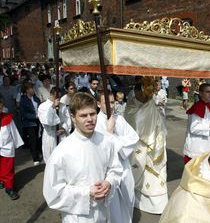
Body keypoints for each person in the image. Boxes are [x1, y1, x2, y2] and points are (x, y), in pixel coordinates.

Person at [43, 92, 122, 222]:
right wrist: (86, 192)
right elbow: (53, 193)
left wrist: (109, 182)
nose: (90, 119)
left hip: (104, 212)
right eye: (83, 115)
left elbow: (115, 169)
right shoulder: (61, 152)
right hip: (77, 216)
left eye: (92, 114)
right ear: (73, 118)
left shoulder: (106, 141)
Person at [124, 76, 168, 214]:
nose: (142, 97)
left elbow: (159, 124)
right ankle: (137, 200)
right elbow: (131, 122)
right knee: (138, 172)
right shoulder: (131, 105)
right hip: (138, 146)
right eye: (140, 94)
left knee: (155, 176)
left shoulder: (151, 105)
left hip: (155, 145)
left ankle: (157, 205)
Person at [95, 91, 139, 223]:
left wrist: (115, 139)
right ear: (98, 104)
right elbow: (101, 147)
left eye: (113, 102)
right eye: (106, 103)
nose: (111, 106)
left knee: (129, 196)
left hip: (124, 164)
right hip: (109, 170)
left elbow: (134, 137)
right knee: (114, 206)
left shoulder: (119, 118)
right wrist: (110, 133)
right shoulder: (96, 123)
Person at [183, 83, 210, 164]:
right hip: (196, 145)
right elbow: (194, 128)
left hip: (207, 145)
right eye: (207, 92)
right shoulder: (197, 107)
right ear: (200, 93)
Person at [38, 87, 71, 163]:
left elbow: (67, 119)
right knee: (51, 159)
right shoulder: (43, 106)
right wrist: (53, 107)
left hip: (62, 134)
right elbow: (47, 121)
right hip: (50, 135)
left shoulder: (63, 105)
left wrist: (63, 128)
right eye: (56, 97)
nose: (58, 99)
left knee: (63, 158)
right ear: (51, 95)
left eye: (59, 97)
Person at [0, 98, 24, 200]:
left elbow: (14, 132)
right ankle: (1, 180)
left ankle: (9, 188)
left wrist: (16, 145)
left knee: (8, 169)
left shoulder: (7, 118)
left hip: (6, 147)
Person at [19, 83, 41, 166]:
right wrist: (34, 116)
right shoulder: (23, 100)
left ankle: (38, 152)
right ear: (27, 90)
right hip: (29, 123)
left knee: (38, 138)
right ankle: (35, 157)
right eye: (31, 88)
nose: (33, 90)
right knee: (33, 140)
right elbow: (23, 113)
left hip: (38, 122)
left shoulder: (36, 98)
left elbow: (40, 108)